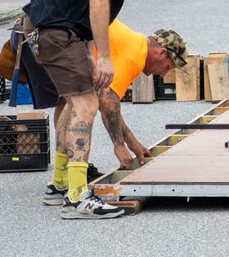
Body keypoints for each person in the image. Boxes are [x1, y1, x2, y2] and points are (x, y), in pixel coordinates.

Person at [20, 0, 172, 217]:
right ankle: (77, 196)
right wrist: (103, 56)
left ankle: (60, 184)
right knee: (85, 103)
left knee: (69, 101)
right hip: (55, 29)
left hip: (41, 23)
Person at [21, 20, 187, 205]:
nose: (163, 75)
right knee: (82, 104)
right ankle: (67, 188)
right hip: (49, 39)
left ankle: (60, 184)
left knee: (74, 103)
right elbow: (108, 102)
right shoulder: (134, 56)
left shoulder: (133, 45)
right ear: (161, 52)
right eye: (168, 67)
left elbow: (109, 104)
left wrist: (131, 142)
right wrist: (119, 145)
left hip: (42, 35)